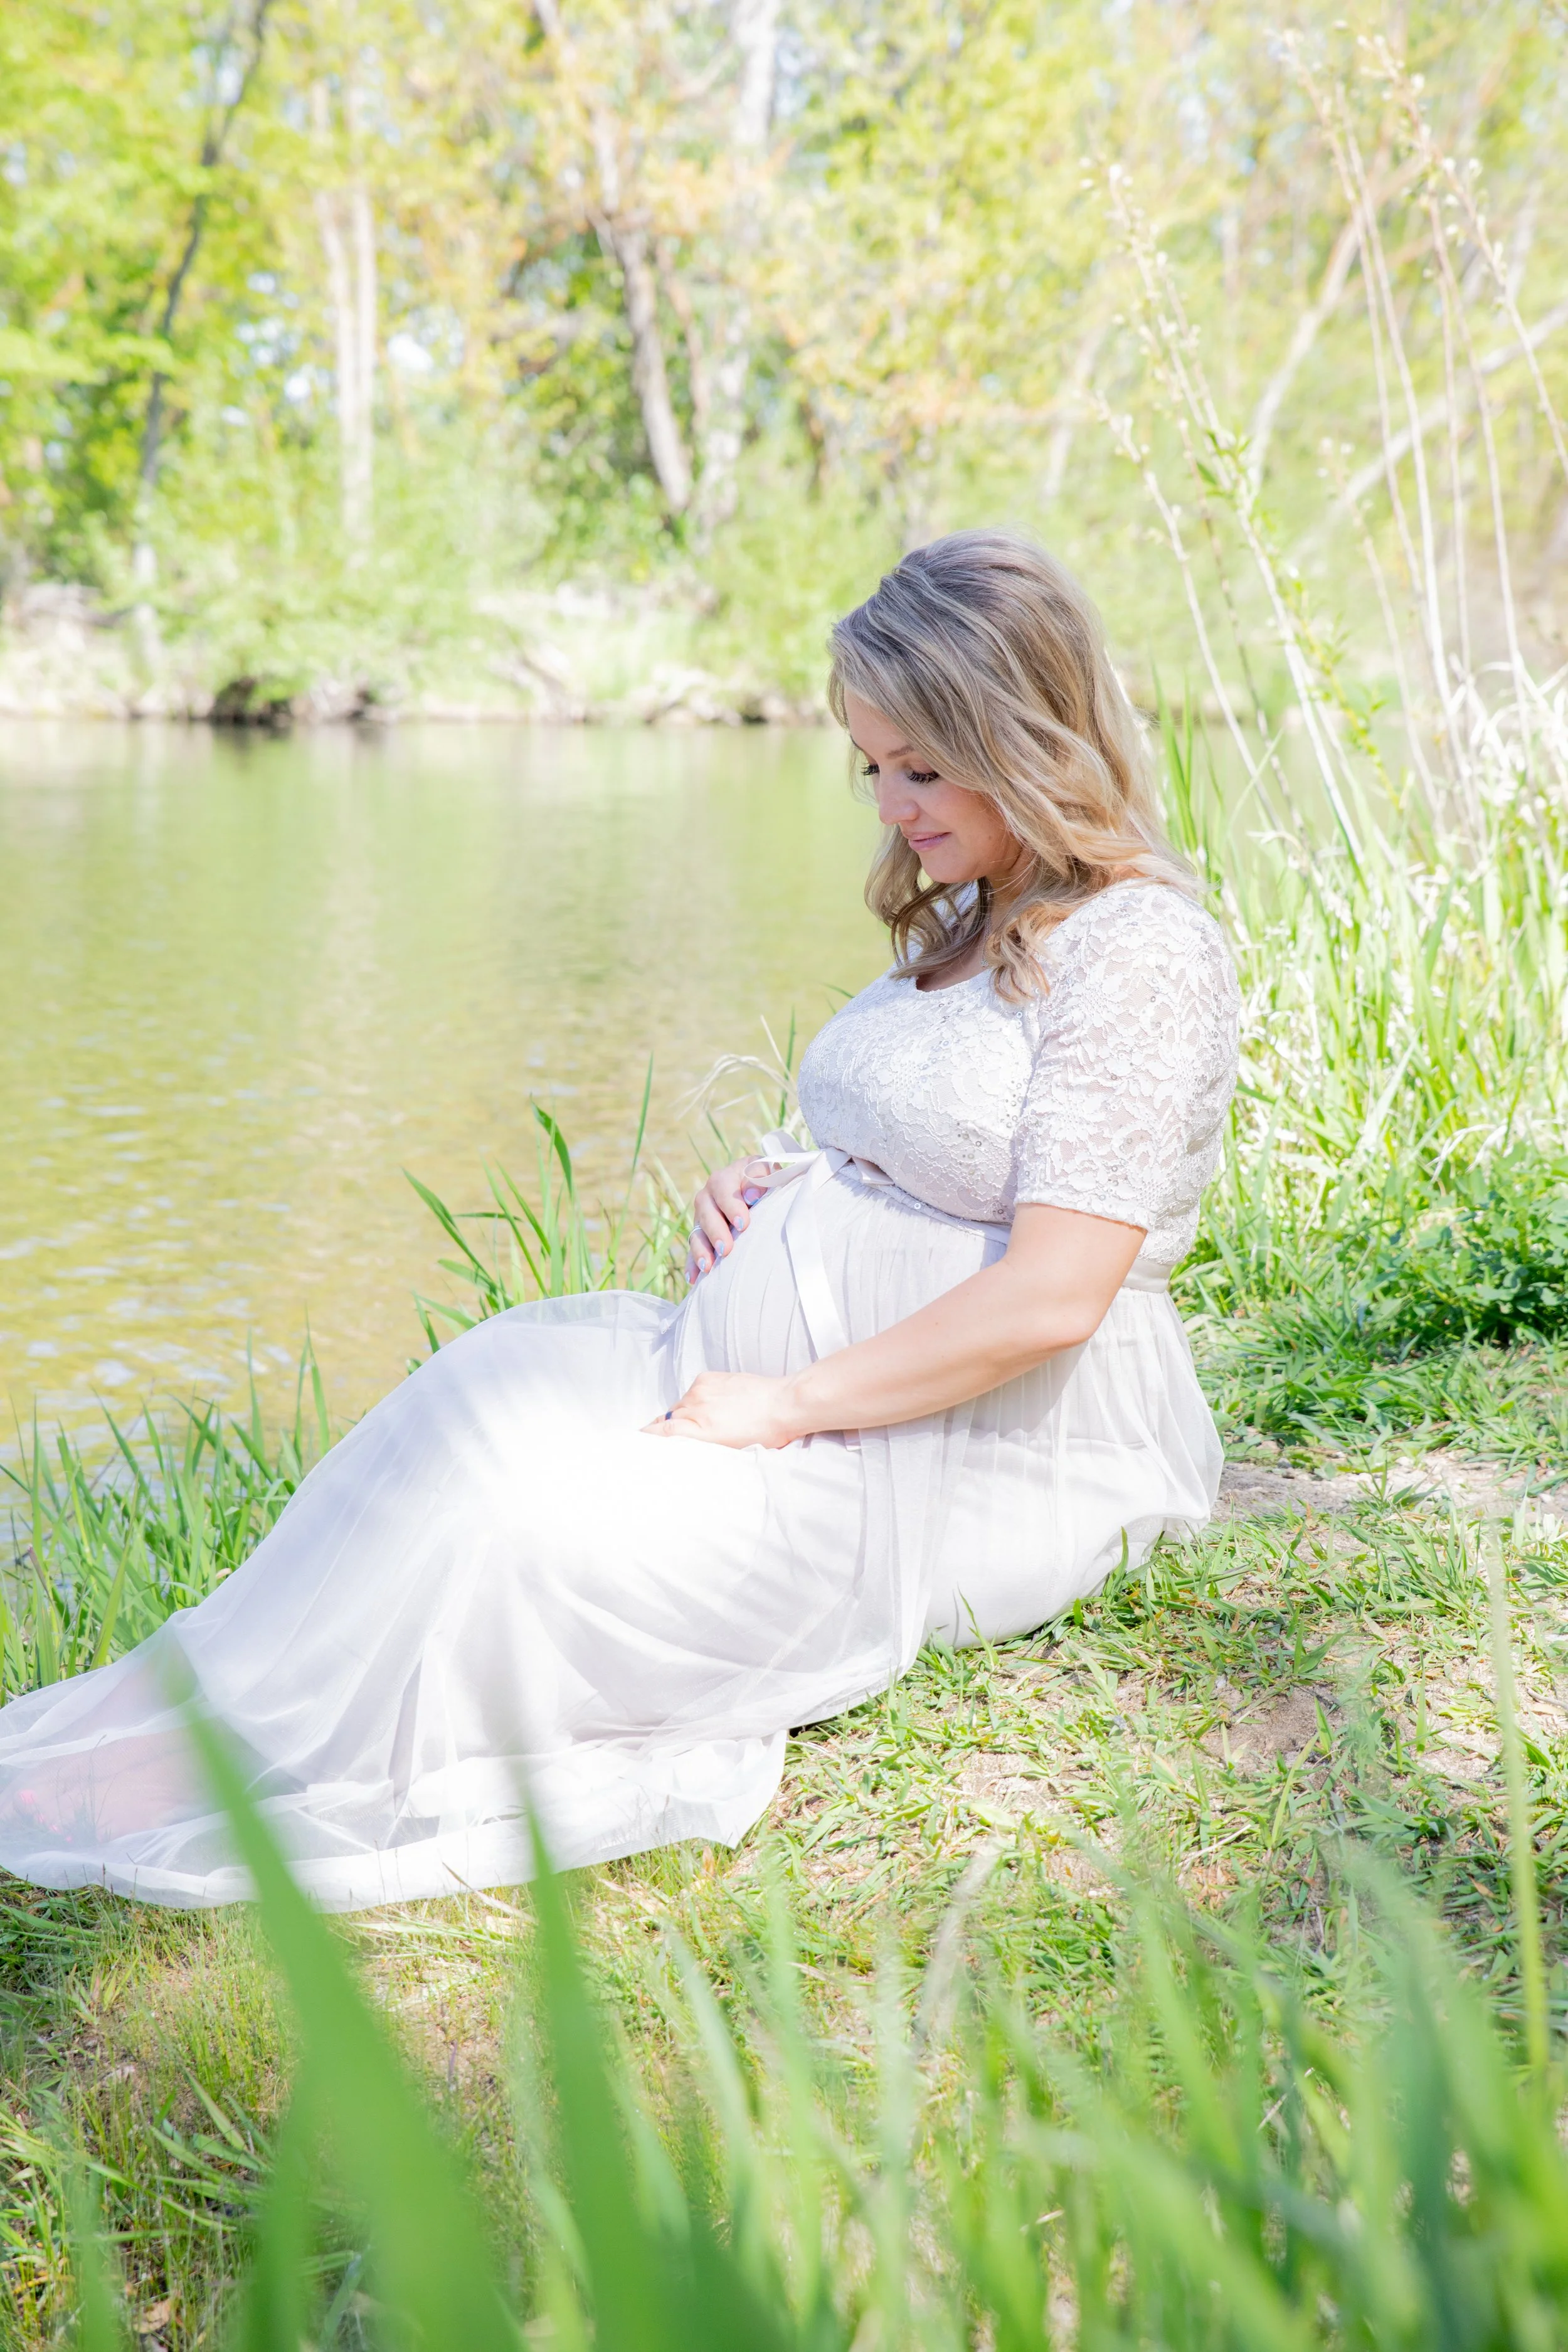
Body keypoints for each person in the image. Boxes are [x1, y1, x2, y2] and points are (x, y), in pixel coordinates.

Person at [0, 531, 1238, 1912]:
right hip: (781, 1394)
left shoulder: (1139, 954)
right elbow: (915, 1133)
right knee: (465, 1413)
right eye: (870, 766)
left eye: (922, 767)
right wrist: (766, 1182)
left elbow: (1052, 1294)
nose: (889, 804)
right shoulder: (977, 906)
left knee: (521, 1541)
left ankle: (221, 1779)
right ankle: (219, 1738)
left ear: (1026, 732)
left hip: (975, 1453)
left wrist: (785, 1404)